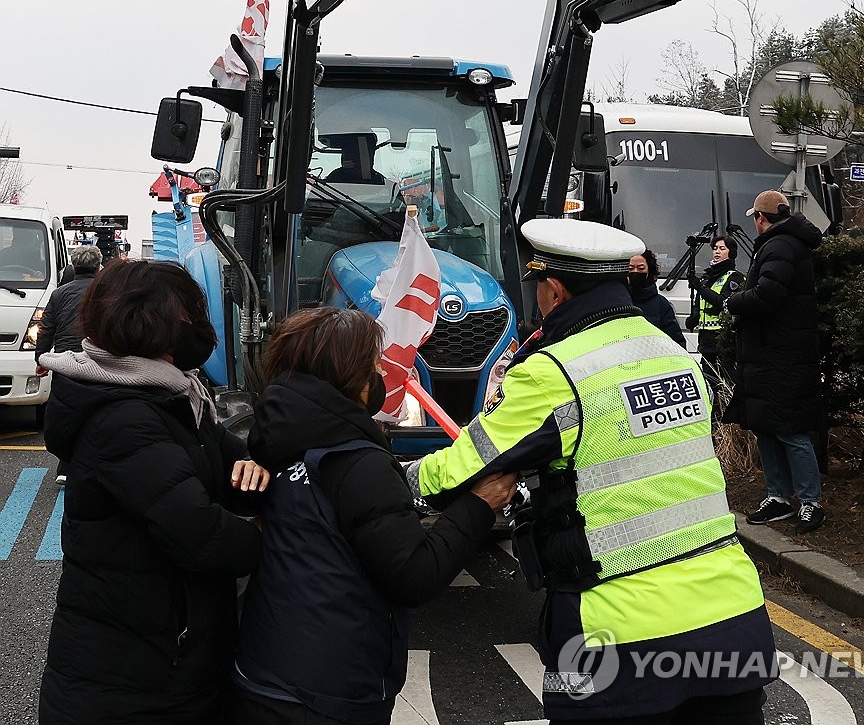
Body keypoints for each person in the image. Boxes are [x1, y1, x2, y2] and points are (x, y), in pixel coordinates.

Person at [408, 218, 776, 724]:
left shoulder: (552, 372)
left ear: (554, 291)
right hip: (734, 620)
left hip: (614, 637)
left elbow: (456, 470)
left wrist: (395, 478)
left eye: (538, 286)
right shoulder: (674, 356)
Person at [231, 305, 515, 725]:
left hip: (263, 669)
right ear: (352, 379)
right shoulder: (358, 461)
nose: (379, 380)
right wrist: (479, 505)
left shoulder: (274, 440)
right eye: (372, 368)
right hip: (331, 690)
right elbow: (413, 575)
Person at [37, 260, 270, 725]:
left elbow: (229, 461)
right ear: (160, 322)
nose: (201, 328)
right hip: (131, 681)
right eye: (192, 314)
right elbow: (200, 534)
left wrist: (255, 472)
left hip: (158, 661)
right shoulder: (125, 416)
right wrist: (280, 537)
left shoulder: (174, 395)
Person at [724, 190, 826, 534]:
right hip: (774, 354)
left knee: (789, 431)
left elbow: (768, 294)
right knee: (768, 427)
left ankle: (809, 502)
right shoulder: (785, 242)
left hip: (780, 356)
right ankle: (780, 497)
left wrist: (733, 303)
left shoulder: (779, 245)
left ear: (760, 218)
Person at [34, 244, 103, 483]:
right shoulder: (106, 292)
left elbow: (46, 329)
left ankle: (65, 466)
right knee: (97, 413)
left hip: (65, 362)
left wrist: (41, 358)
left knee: (67, 414)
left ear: (74, 266)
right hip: (98, 360)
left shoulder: (59, 294)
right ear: (98, 267)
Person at [690, 235, 744, 410]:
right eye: (715, 248)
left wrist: (700, 288)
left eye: (722, 248)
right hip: (706, 340)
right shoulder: (708, 277)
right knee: (708, 385)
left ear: (732, 253)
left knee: (726, 384)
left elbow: (724, 302)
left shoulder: (734, 277)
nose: (717, 252)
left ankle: (728, 425)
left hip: (724, 340)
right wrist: (695, 317)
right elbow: (702, 303)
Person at [627, 248, 687, 347]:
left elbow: (676, 343)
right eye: (630, 268)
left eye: (641, 268)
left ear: (649, 271)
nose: (635, 272)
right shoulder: (615, 302)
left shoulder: (661, 305)